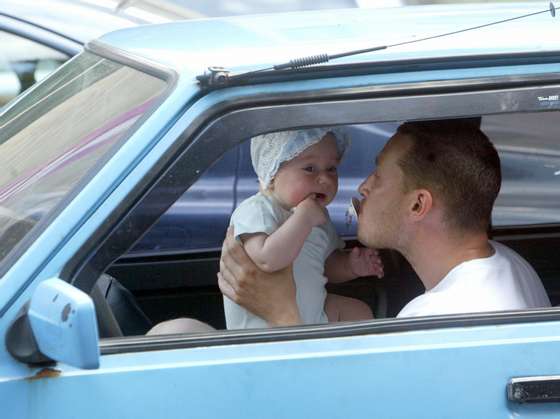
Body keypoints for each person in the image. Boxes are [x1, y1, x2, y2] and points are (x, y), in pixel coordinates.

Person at [218, 120, 551, 326]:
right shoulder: (509, 262)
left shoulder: (437, 321)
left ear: (418, 204)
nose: (363, 186)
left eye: (378, 176)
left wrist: (282, 316)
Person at [224, 129, 383, 329]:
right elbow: (266, 259)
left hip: (309, 317)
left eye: (332, 168)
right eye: (310, 168)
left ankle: (356, 358)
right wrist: (303, 220)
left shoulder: (318, 216)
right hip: (263, 326)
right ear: (272, 174)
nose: (325, 179)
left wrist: (349, 265)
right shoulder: (257, 210)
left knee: (358, 311)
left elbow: (324, 264)